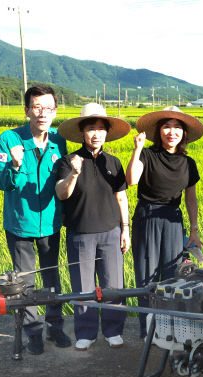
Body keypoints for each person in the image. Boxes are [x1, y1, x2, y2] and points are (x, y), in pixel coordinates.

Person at [0, 84, 69, 355]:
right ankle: (33, 332)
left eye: (48, 108)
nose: (42, 113)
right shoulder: (9, 139)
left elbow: (64, 178)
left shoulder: (59, 141)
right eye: (36, 107)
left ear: (55, 111)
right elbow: (1, 182)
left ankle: (56, 326)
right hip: (20, 224)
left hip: (50, 222)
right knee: (25, 282)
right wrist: (14, 166)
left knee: (52, 278)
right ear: (27, 110)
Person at [55, 103, 131, 351]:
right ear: (82, 133)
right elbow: (62, 194)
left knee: (113, 284)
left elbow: (121, 197)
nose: (96, 134)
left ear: (107, 133)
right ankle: (86, 332)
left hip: (111, 232)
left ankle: (113, 330)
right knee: (82, 286)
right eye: (91, 128)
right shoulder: (68, 161)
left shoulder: (114, 162)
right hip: (80, 233)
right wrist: (74, 174)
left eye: (100, 128)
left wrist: (125, 229)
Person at [127, 106, 203, 338]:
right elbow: (131, 180)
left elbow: (191, 198)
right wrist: (137, 149)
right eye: (167, 127)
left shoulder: (188, 163)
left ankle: (170, 328)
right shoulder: (147, 155)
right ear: (159, 131)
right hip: (148, 216)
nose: (172, 132)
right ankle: (147, 329)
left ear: (184, 133)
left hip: (173, 218)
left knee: (173, 275)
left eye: (177, 127)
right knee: (147, 274)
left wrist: (194, 229)